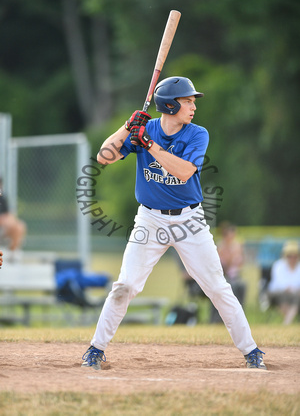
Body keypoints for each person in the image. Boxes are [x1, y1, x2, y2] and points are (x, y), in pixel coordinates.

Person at [81, 76, 266, 370]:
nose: (193, 106)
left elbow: (183, 172)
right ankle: (95, 349)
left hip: (189, 220)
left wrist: (150, 145)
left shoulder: (197, 134)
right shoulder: (145, 129)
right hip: (150, 219)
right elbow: (105, 156)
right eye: (187, 101)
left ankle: (252, 351)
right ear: (169, 104)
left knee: (217, 287)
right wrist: (128, 127)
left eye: (193, 101)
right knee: (125, 285)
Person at [210, 222, 247, 323]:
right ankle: (221, 318)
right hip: (223, 275)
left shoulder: (236, 246)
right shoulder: (221, 246)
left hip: (234, 276)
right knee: (231, 286)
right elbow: (224, 265)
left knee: (242, 286)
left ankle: (239, 316)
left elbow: (240, 263)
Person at [268, 240, 300, 325]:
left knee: (296, 297)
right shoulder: (278, 265)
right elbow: (279, 284)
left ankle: (287, 322)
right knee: (284, 296)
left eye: (295, 256)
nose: (292, 258)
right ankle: (289, 321)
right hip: (277, 293)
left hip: (295, 295)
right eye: (290, 256)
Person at [0, 178, 27, 252]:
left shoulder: (2, 198)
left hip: (3, 226)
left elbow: (7, 214)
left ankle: (12, 253)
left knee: (19, 226)